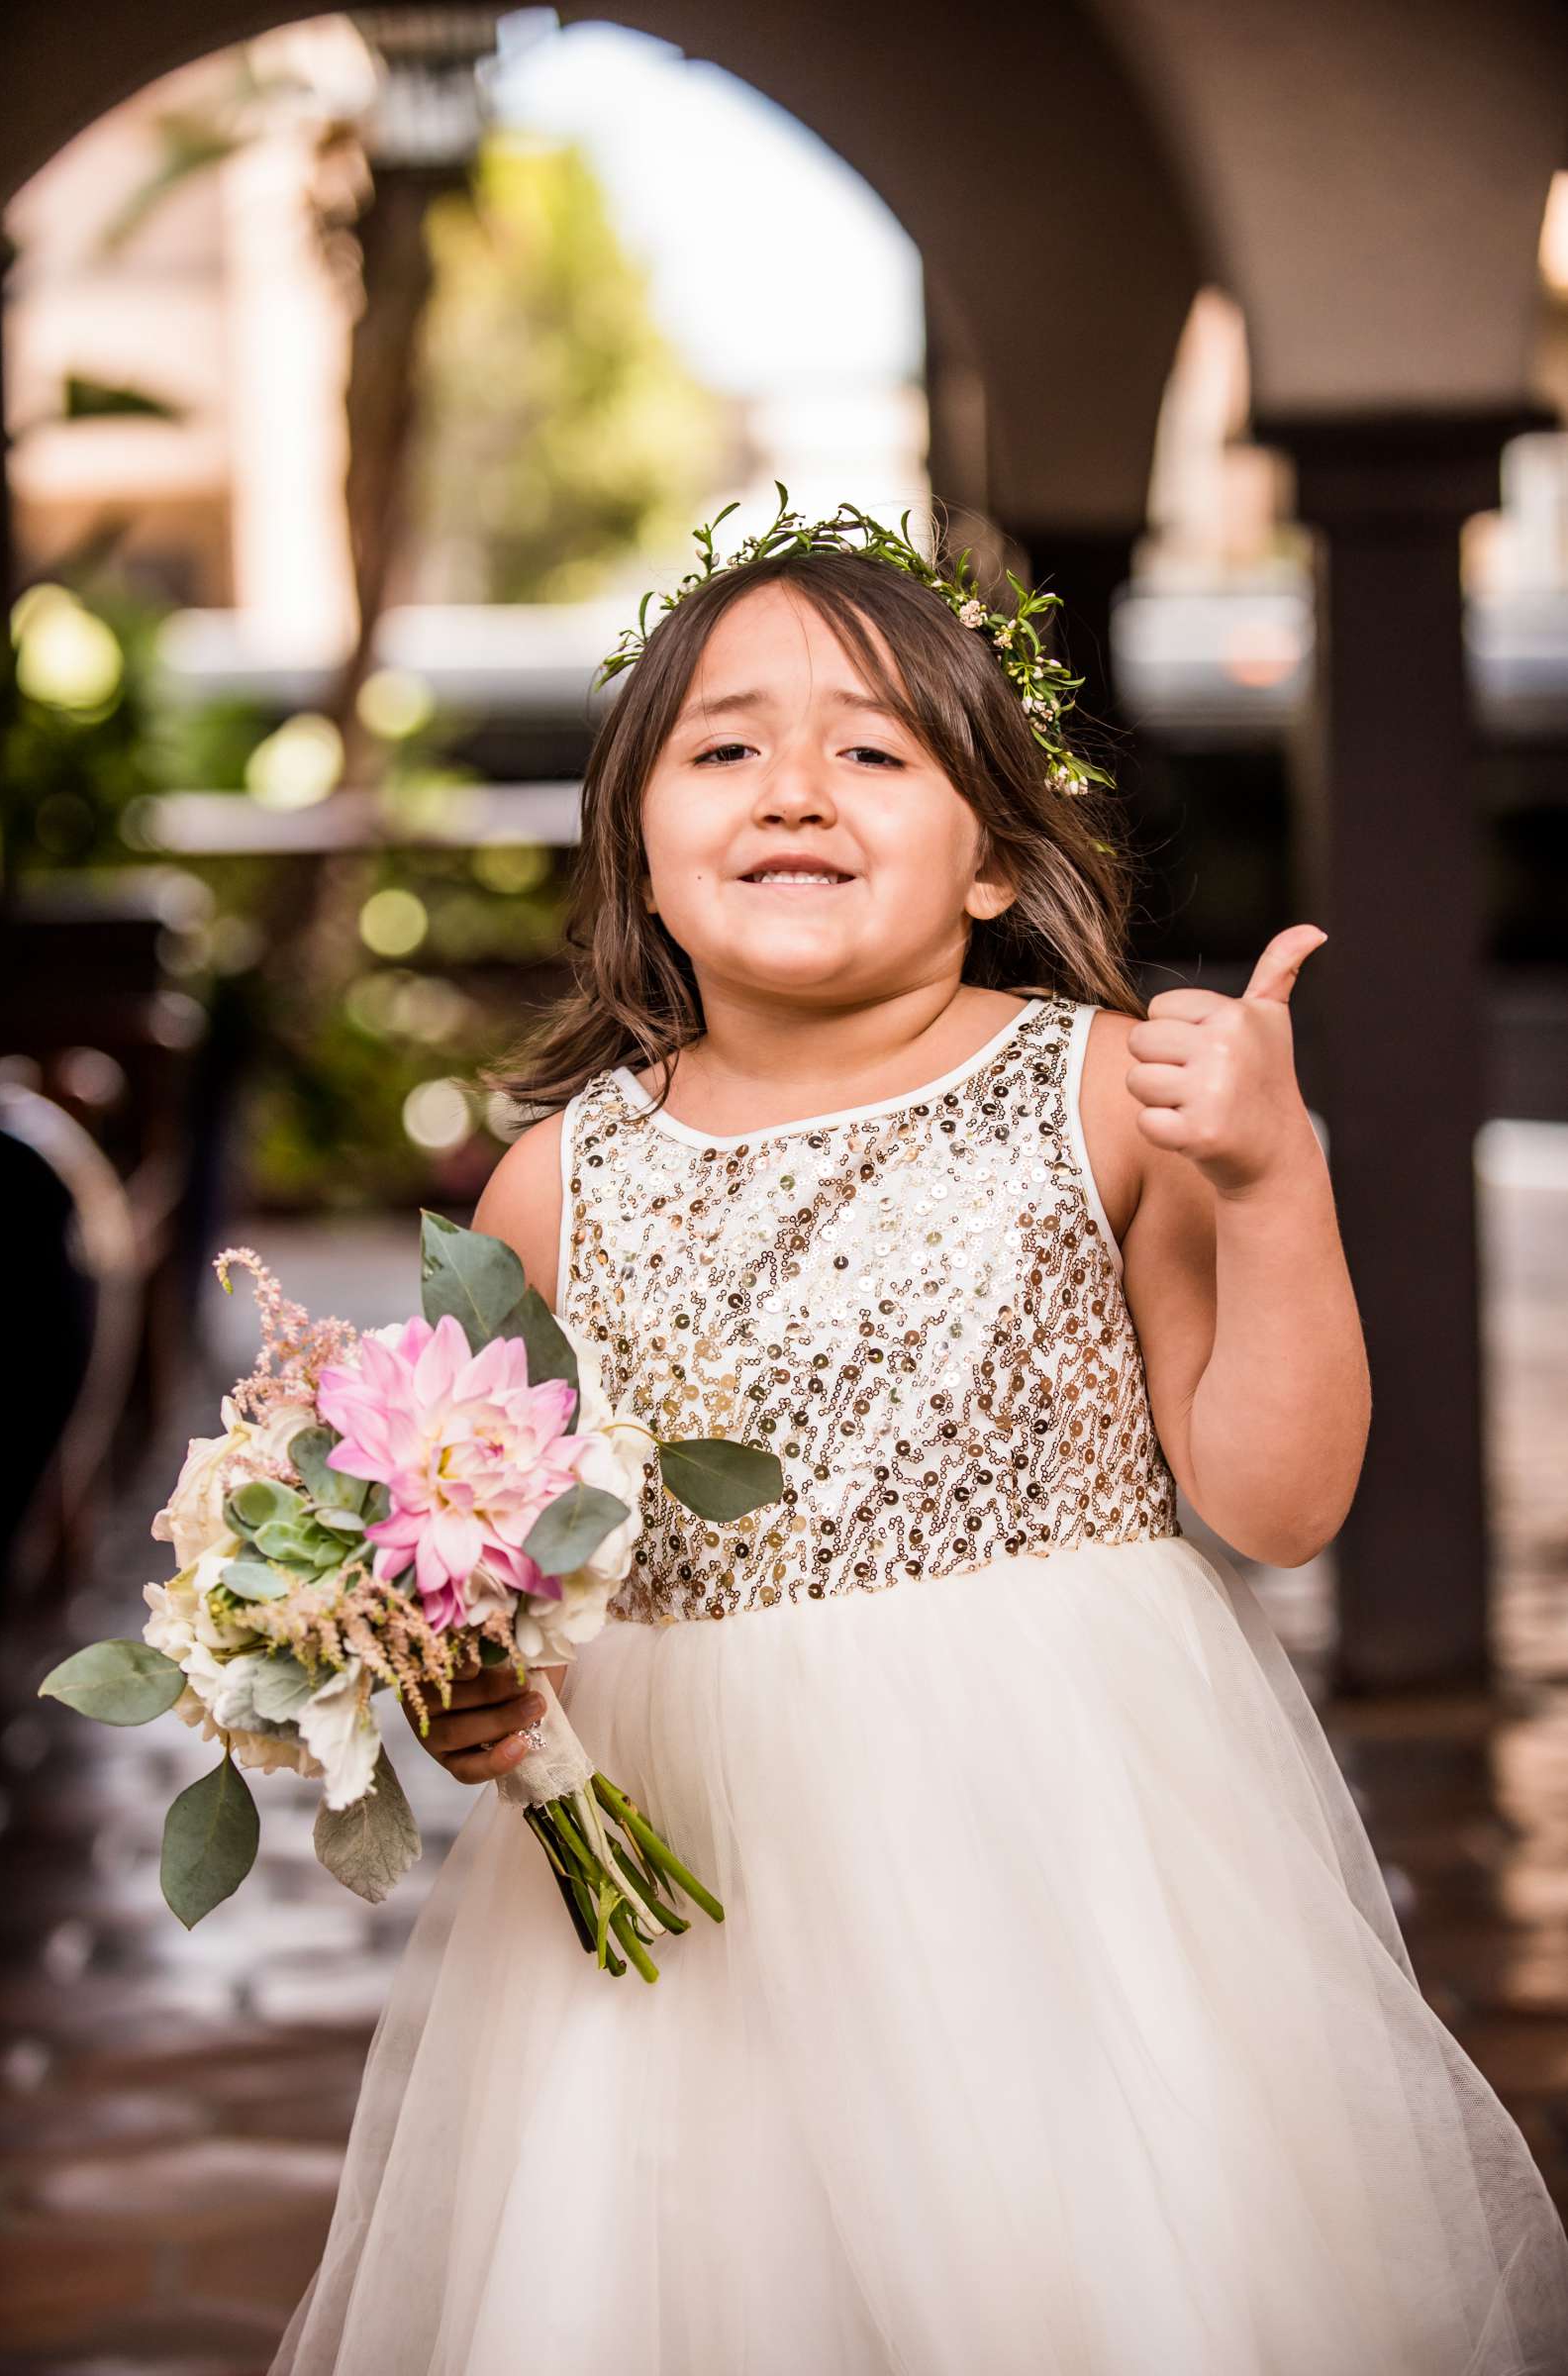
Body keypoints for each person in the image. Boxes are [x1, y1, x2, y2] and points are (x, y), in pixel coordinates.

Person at [269, 495, 1568, 2375]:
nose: (793, 783)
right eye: (726, 746)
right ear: (638, 843)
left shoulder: (1110, 1094)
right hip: (694, 1905)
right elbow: (516, 1565)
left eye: (870, 749)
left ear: (988, 860)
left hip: (1056, 1878)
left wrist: (1274, 1179)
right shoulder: (558, 1183)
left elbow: (1277, 1507)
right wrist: (476, 1696)